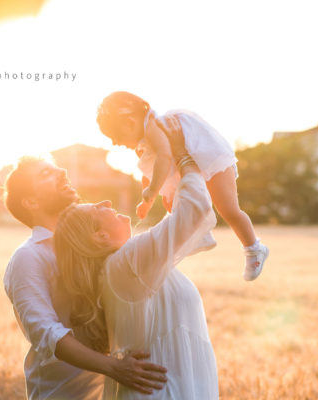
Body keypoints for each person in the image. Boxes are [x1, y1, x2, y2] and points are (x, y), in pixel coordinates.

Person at [54, 116, 219, 399]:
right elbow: (196, 208)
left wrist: (170, 186)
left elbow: (188, 225)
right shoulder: (126, 263)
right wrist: (180, 155)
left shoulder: (128, 264)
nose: (106, 202)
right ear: (99, 237)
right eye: (97, 209)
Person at [3, 156, 167, 400]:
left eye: (56, 166)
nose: (61, 171)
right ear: (31, 201)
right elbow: (47, 334)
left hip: (115, 391)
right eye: (45, 174)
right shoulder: (29, 257)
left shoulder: (93, 242)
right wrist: (114, 367)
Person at [96, 91, 269, 281]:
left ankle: (254, 248)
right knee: (171, 204)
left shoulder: (155, 125)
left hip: (209, 156)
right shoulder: (144, 140)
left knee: (228, 209)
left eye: (117, 136)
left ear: (130, 122)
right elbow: (150, 171)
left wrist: (153, 190)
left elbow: (164, 157)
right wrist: (147, 200)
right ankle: (198, 234)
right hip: (188, 163)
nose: (116, 143)